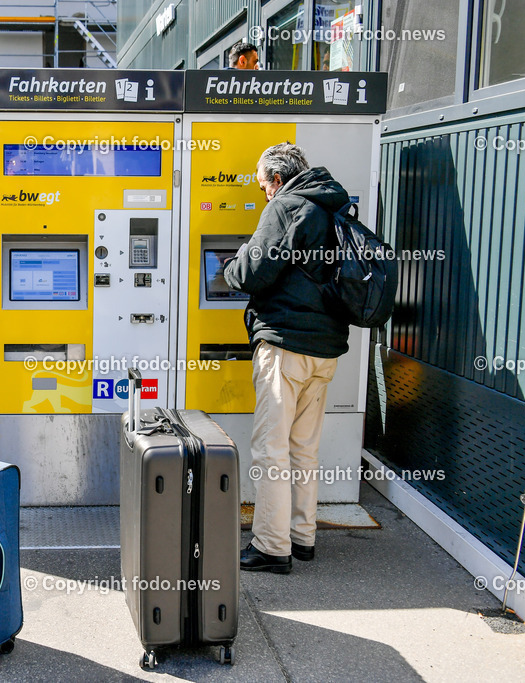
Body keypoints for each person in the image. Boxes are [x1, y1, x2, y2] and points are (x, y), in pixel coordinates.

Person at [221, 142, 351, 574]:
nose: (263, 193)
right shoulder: (333, 206)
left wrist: (235, 259)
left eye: (262, 186)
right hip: (325, 350)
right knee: (303, 449)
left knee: (270, 449)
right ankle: (302, 536)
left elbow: (247, 273)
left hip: (286, 347)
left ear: (277, 179)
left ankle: (272, 547)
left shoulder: (286, 206)